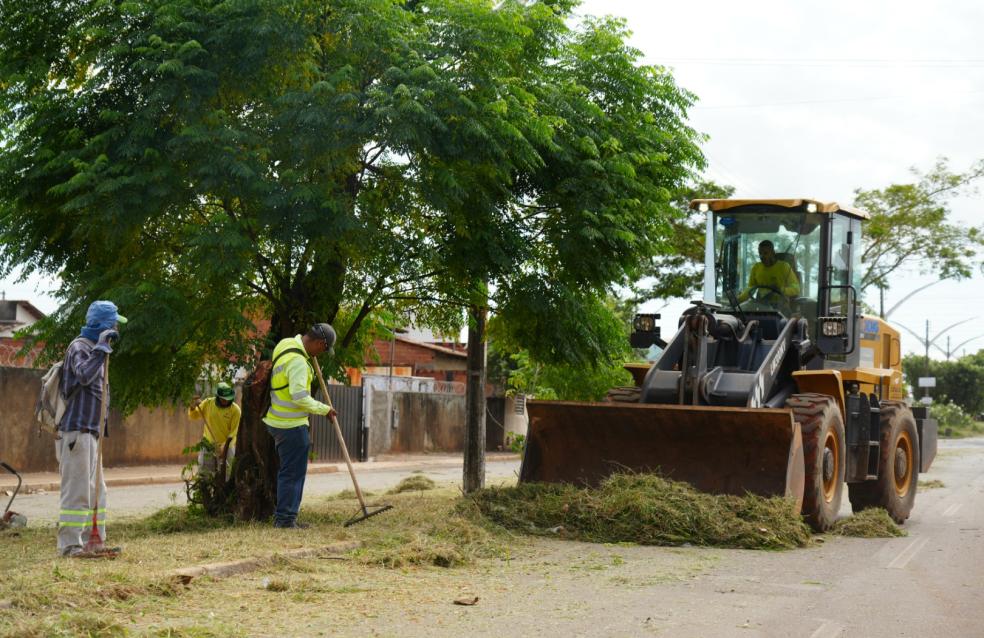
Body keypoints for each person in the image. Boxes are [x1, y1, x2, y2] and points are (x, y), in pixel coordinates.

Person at [56, 300, 126, 558]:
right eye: (114, 323)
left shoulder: (99, 351)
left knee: (98, 491)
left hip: (92, 433)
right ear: (103, 325)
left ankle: (93, 541)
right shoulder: (80, 347)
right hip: (77, 431)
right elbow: (83, 376)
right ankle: (70, 546)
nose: (117, 328)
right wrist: (100, 348)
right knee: (77, 489)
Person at [263, 323, 337, 528]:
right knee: (292, 474)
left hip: (277, 421)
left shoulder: (285, 344)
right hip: (291, 425)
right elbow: (299, 397)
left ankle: (286, 517)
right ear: (320, 343)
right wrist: (325, 409)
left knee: (288, 472)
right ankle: (286, 520)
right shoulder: (298, 362)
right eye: (323, 349)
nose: (321, 354)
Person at [188, 382, 241, 479]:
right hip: (208, 444)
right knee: (205, 474)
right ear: (218, 396)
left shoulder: (235, 410)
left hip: (227, 446)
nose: (225, 401)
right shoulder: (208, 403)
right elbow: (193, 416)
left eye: (228, 398)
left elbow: (234, 431)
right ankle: (205, 492)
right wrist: (192, 406)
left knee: (228, 474)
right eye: (223, 398)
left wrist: (224, 446)